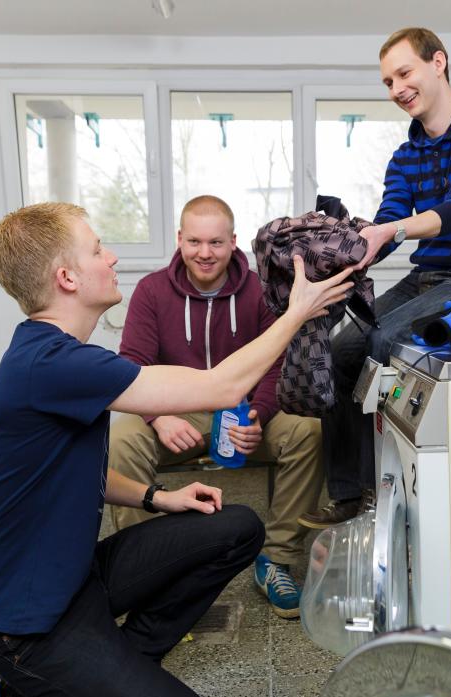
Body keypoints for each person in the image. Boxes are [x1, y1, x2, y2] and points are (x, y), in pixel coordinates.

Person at [0, 202, 352, 697]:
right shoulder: (52, 364)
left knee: (234, 527)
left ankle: (122, 665)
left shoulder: (52, 354)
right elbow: (221, 387)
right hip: (25, 626)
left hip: (76, 580)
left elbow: (68, 472)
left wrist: (158, 497)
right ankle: (12, 691)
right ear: (67, 277)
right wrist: (296, 312)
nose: (113, 257)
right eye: (98, 249)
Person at [299, 27, 451, 529]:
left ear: (438, 63)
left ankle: (390, 490)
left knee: (383, 340)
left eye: (404, 73)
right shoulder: (406, 156)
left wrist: (389, 230)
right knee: (339, 352)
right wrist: (340, 244)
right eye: (387, 82)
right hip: (429, 276)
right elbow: (390, 219)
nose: (397, 88)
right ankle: (350, 495)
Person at [108, 195, 324, 619]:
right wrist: (158, 416)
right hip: (176, 412)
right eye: (194, 241)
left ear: (234, 242)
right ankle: (142, 570)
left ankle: (276, 559)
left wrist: (260, 414)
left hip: (241, 410)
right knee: (121, 439)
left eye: (215, 242)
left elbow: (276, 362)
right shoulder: (151, 291)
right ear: (179, 240)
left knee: (308, 431)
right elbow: (133, 365)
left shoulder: (261, 290)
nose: (204, 253)